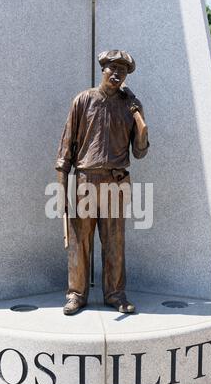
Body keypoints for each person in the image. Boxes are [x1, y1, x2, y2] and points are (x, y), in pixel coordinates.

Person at [55, 50, 149, 315]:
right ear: (103, 69)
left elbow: (140, 152)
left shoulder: (130, 106)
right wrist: (62, 192)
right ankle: (76, 294)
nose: (118, 74)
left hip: (117, 182)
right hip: (85, 179)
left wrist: (140, 119)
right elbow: (64, 152)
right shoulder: (83, 100)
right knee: (79, 241)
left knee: (114, 242)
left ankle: (115, 294)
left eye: (123, 71)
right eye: (113, 68)